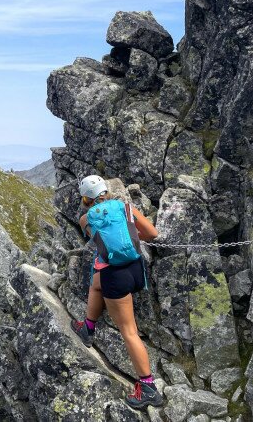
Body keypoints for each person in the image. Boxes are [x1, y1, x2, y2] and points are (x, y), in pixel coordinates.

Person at [70, 175, 163, 409]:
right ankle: (87, 327)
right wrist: (132, 237)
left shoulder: (85, 219)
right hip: (135, 268)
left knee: (129, 331)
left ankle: (148, 387)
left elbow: (99, 242)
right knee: (96, 282)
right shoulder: (125, 207)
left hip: (116, 275)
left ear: (86, 198)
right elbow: (152, 234)